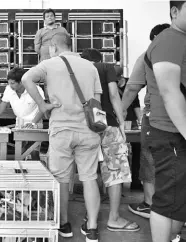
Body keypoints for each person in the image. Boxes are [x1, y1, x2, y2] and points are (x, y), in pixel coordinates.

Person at [22, 32, 102, 242]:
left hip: (61, 131)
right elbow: (97, 102)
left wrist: (42, 104)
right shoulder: (90, 66)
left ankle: (64, 224)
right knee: (90, 178)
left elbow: (25, 78)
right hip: (88, 130)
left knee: (61, 179)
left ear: (54, 46)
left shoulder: (49, 64)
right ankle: (92, 228)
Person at [82, 48, 139, 233]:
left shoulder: (77, 69)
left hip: (84, 126)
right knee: (115, 171)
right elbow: (114, 95)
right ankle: (113, 218)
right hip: (108, 125)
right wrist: (122, 123)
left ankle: (89, 217)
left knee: (88, 174)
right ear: (100, 58)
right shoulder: (106, 68)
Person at [143, 1, 186, 242]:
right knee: (167, 198)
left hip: (176, 131)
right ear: (175, 12)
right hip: (170, 132)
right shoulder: (170, 40)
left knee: (178, 196)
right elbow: (170, 92)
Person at [122, 23, 170, 220]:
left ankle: (150, 204)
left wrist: (120, 111)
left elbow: (132, 88)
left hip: (156, 117)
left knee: (149, 158)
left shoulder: (147, 55)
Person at [0, 67, 45, 160]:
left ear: (21, 82)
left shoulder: (36, 89)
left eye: (13, 83)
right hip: (19, 125)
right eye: (9, 83)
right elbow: (1, 107)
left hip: (35, 125)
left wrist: (33, 123)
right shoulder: (9, 89)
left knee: (34, 153)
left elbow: (42, 108)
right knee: (20, 152)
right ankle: (20, 171)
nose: (10, 85)